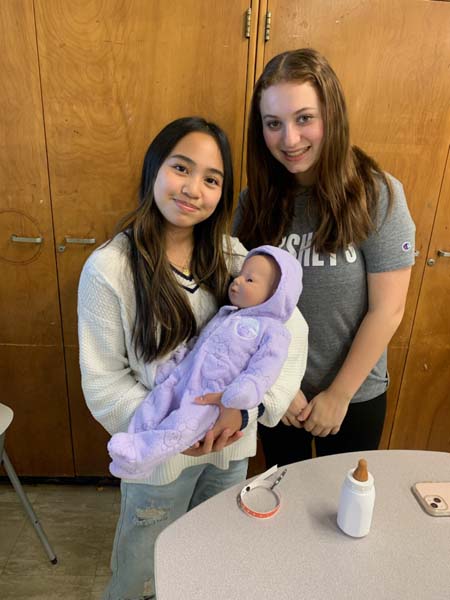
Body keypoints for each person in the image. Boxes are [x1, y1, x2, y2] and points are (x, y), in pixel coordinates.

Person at [78, 116, 308, 600]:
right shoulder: (109, 269)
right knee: (140, 570)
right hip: (160, 461)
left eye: (212, 179)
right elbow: (104, 383)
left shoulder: (233, 256)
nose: (193, 189)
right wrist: (173, 430)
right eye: (181, 168)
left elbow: (291, 334)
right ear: (154, 169)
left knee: (211, 560)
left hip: (230, 453)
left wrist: (248, 409)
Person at [234, 48, 416, 467]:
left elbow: (388, 310)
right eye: (273, 124)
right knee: (283, 500)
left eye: (304, 118)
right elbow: (244, 305)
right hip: (277, 391)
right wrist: (279, 384)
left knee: (340, 510)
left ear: (330, 116)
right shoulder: (254, 202)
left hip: (354, 394)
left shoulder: (377, 194)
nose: (290, 140)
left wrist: (338, 395)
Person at [107, 245, 304, 478]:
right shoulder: (226, 314)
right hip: (183, 376)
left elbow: (266, 368)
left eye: (249, 280)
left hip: (212, 396)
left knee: (181, 427)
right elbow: (201, 343)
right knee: (154, 403)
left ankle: (142, 456)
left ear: (276, 295)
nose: (237, 281)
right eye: (239, 275)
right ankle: (131, 443)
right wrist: (181, 357)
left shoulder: (273, 331)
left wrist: (246, 391)